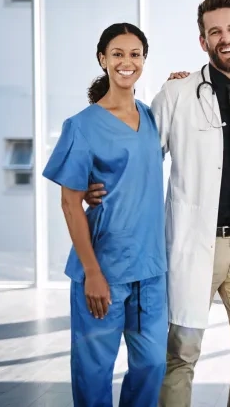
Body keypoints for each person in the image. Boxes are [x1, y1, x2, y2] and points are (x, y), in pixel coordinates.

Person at [85, 0, 230, 407]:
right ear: (203, 42)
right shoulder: (177, 94)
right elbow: (140, 154)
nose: (225, 38)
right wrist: (95, 182)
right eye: (215, 32)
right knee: (178, 355)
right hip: (193, 244)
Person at [43, 23, 167, 406]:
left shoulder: (151, 118)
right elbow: (69, 202)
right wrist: (93, 272)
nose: (126, 62)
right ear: (103, 59)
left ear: (143, 60)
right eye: (117, 54)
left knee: (152, 365)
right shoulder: (81, 126)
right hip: (103, 270)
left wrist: (180, 82)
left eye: (135, 54)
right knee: (94, 373)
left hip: (150, 271)